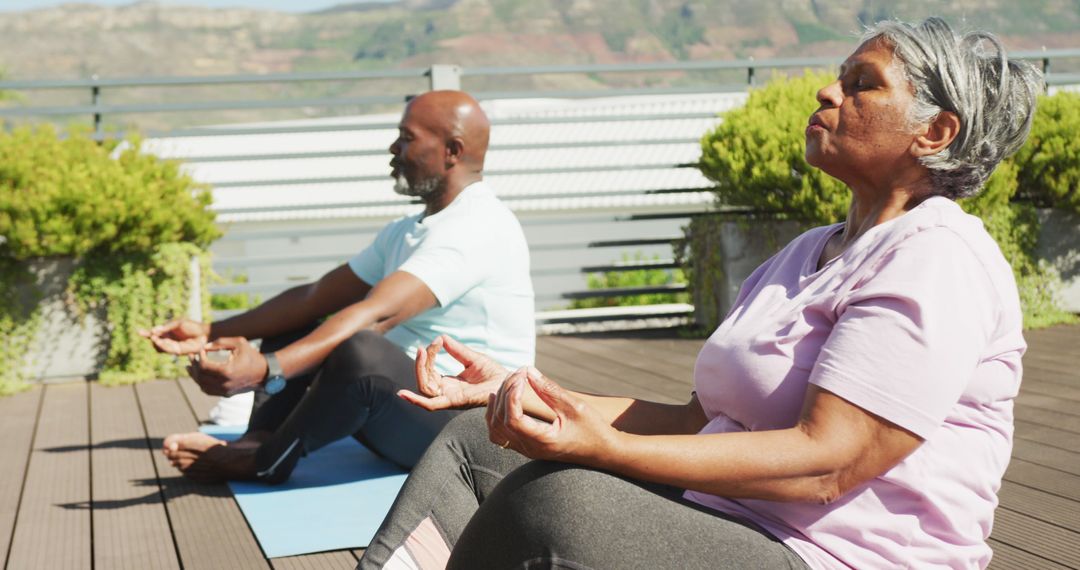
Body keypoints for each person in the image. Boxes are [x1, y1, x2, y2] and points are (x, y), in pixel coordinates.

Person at [357, 18, 1040, 570]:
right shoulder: (806, 253)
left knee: (561, 506)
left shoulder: (939, 258)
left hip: (839, 556)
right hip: (732, 517)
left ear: (935, 132)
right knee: (476, 439)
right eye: (837, 79)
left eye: (862, 85)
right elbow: (695, 422)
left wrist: (598, 447)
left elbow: (826, 465)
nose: (827, 95)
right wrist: (532, 390)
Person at [141, 90, 535, 484]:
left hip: (473, 431)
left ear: (452, 150)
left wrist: (267, 370)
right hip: (413, 409)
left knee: (361, 350)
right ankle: (258, 438)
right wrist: (211, 331)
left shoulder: (479, 225)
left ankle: (265, 461)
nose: (393, 148)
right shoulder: (407, 230)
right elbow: (316, 296)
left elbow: (378, 314)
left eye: (407, 137)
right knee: (300, 321)